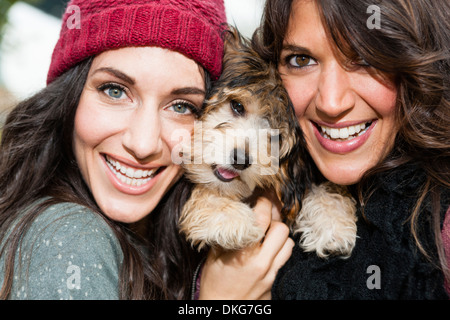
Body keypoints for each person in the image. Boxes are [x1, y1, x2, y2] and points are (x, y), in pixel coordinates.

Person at [0, 0, 293, 300]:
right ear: (69, 97)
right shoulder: (72, 238)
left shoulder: (165, 236)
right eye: (114, 90)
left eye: (181, 106)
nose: (143, 144)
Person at [252, 0, 450, 299]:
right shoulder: (255, 194)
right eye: (301, 60)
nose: (331, 103)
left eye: (365, 58)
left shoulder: (442, 228)